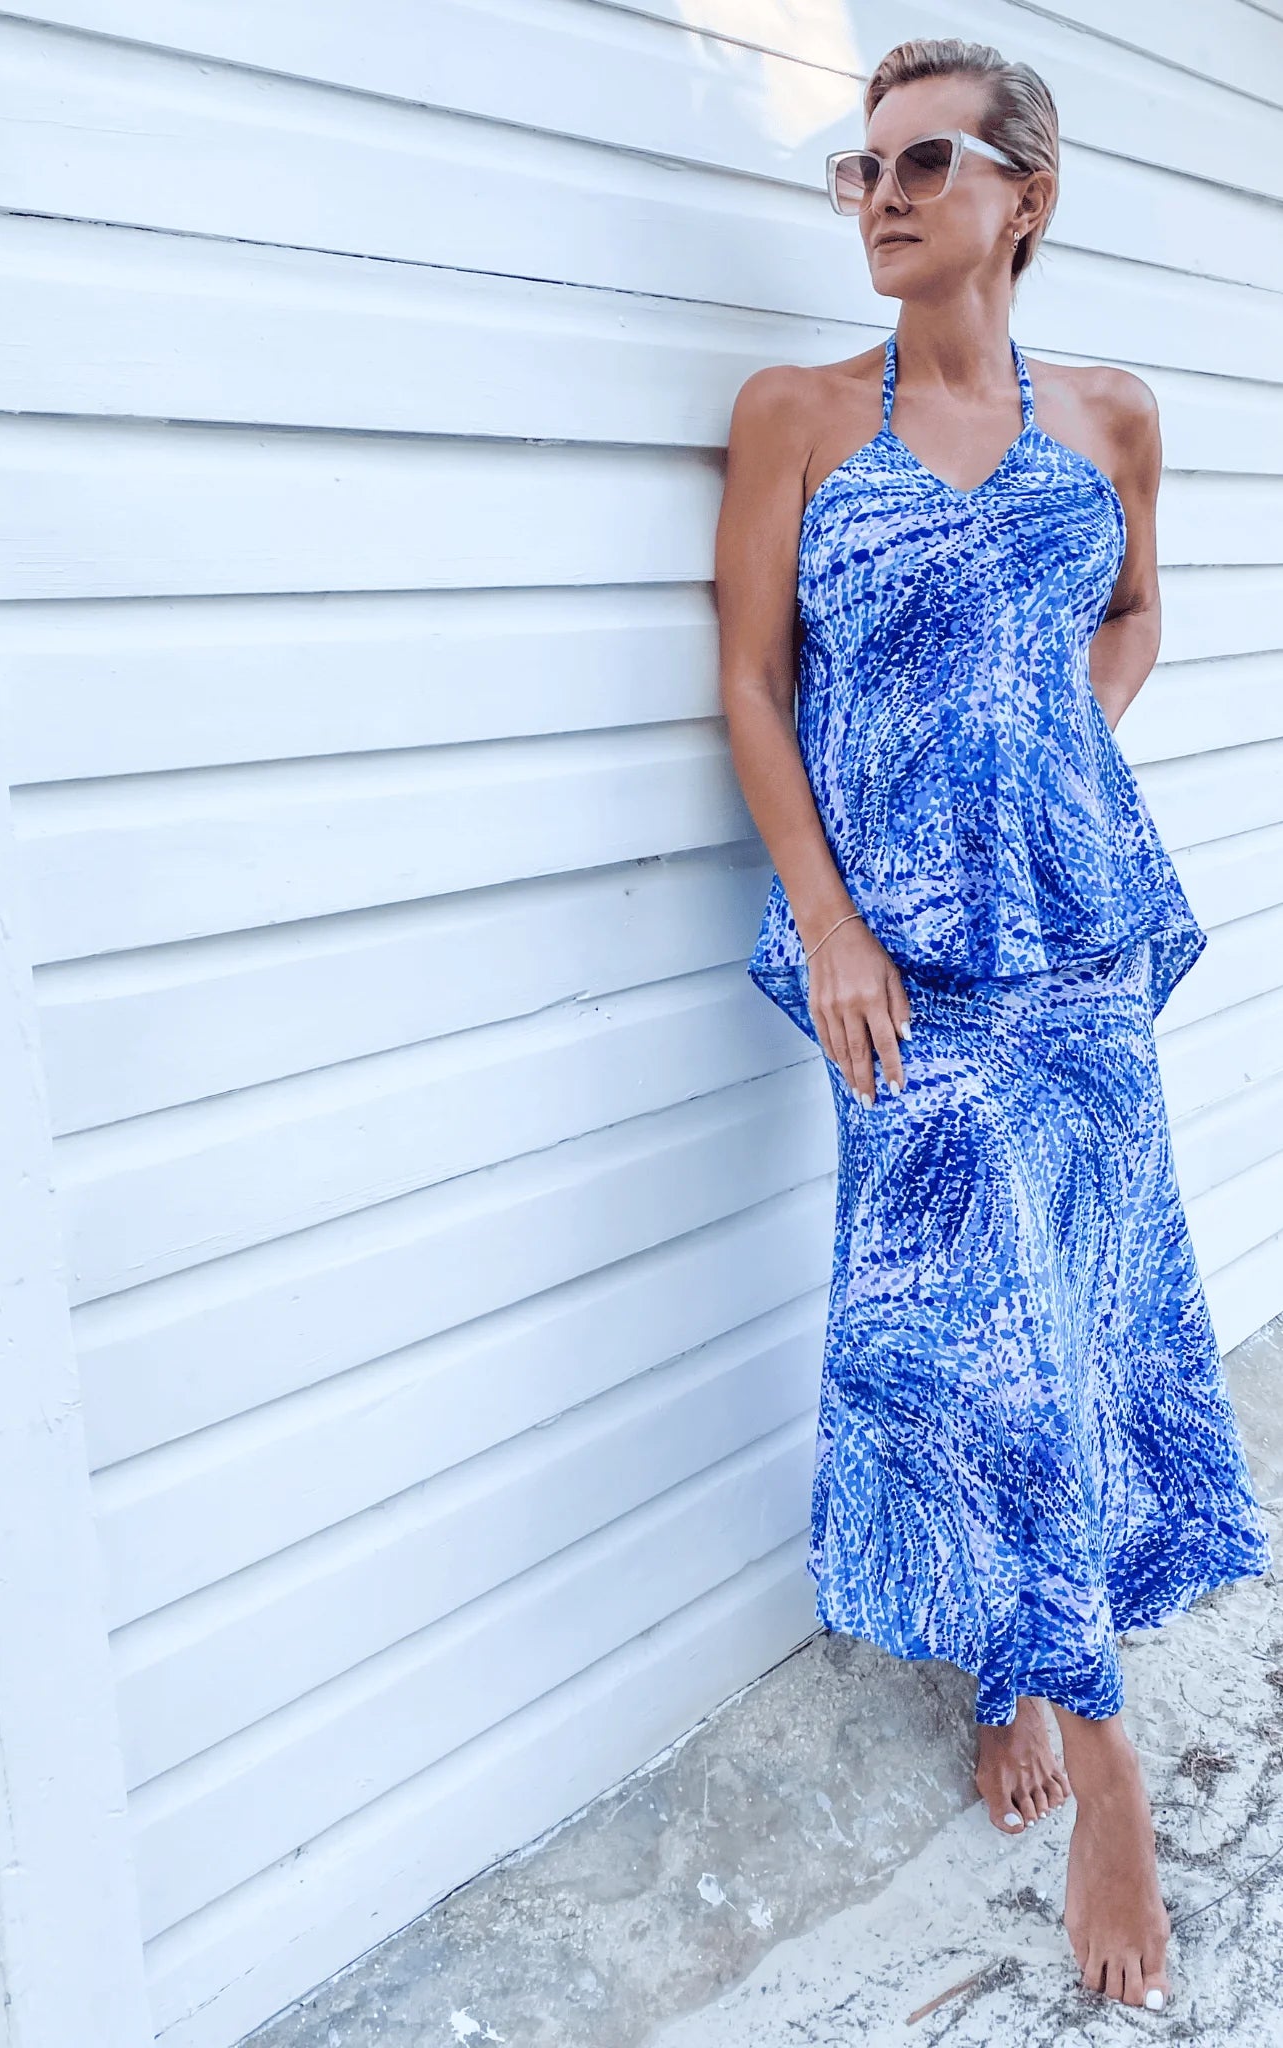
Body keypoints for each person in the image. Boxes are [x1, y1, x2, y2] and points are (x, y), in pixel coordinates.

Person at [714, 35, 1273, 2015]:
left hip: (1073, 933)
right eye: (857, 168)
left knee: (1087, 1305)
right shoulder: (794, 415)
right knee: (962, 1334)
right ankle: (1103, 1761)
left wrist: (1048, 755)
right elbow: (753, 681)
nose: (878, 194)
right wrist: (828, 917)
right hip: (899, 954)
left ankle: (1027, 1673)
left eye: (921, 161)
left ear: (1021, 198)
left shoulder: (1110, 413)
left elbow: (1130, 614)